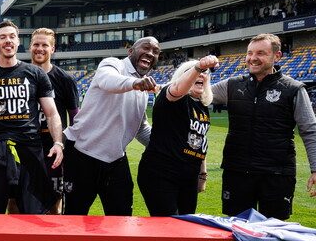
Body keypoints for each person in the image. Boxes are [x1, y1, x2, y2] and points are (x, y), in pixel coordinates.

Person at [210, 34, 316, 219]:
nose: (253, 58)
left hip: (277, 174)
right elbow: (196, 93)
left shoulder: (293, 89)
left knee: (274, 234)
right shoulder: (232, 85)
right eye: (250, 53)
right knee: (235, 231)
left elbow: (310, 130)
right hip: (237, 172)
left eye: (261, 53)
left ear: (277, 56)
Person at [0, 21, 63, 214]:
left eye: (12, 36)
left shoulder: (35, 73)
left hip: (30, 150)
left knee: (34, 213)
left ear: (18, 41)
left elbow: (52, 113)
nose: (8, 41)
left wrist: (58, 143)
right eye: (2, 37)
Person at [63, 36, 160, 216]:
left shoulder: (143, 90)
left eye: (155, 51)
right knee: (73, 217)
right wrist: (136, 83)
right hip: (83, 155)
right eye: (145, 48)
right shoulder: (112, 64)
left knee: (122, 219)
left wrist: (165, 146)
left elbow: (139, 127)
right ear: (131, 51)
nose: (150, 53)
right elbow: (109, 81)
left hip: (115, 161)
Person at [138, 56, 218, 216]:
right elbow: (177, 88)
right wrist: (198, 67)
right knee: (168, 225)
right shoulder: (172, 97)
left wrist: (202, 175)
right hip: (161, 173)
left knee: (186, 225)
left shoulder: (201, 105)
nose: (202, 74)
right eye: (195, 72)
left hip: (189, 176)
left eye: (205, 73)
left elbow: (200, 141)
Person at [29, 28, 80, 213]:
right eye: (36, 44)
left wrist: (71, 152)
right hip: (27, 150)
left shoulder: (65, 80)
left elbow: (75, 119)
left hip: (53, 151)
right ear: (30, 47)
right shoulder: (21, 75)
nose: (39, 49)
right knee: (19, 203)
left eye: (45, 45)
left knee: (54, 205)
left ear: (53, 49)